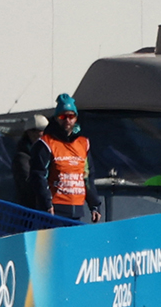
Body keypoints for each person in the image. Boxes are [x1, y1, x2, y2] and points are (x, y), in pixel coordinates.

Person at [30, 94, 102, 222]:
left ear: (76, 118)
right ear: (56, 118)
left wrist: (94, 205)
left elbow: (87, 177)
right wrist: (46, 204)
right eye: (63, 116)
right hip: (54, 209)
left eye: (71, 116)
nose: (67, 120)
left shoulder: (83, 143)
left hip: (77, 208)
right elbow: (38, 176)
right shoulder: (46, 143)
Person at [12, 114, 48, 208]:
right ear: (30, 133)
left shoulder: (48, 152)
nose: (45, 134)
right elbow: (30, 185)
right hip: (33, 210)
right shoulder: (22, 157)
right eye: (41, 131)